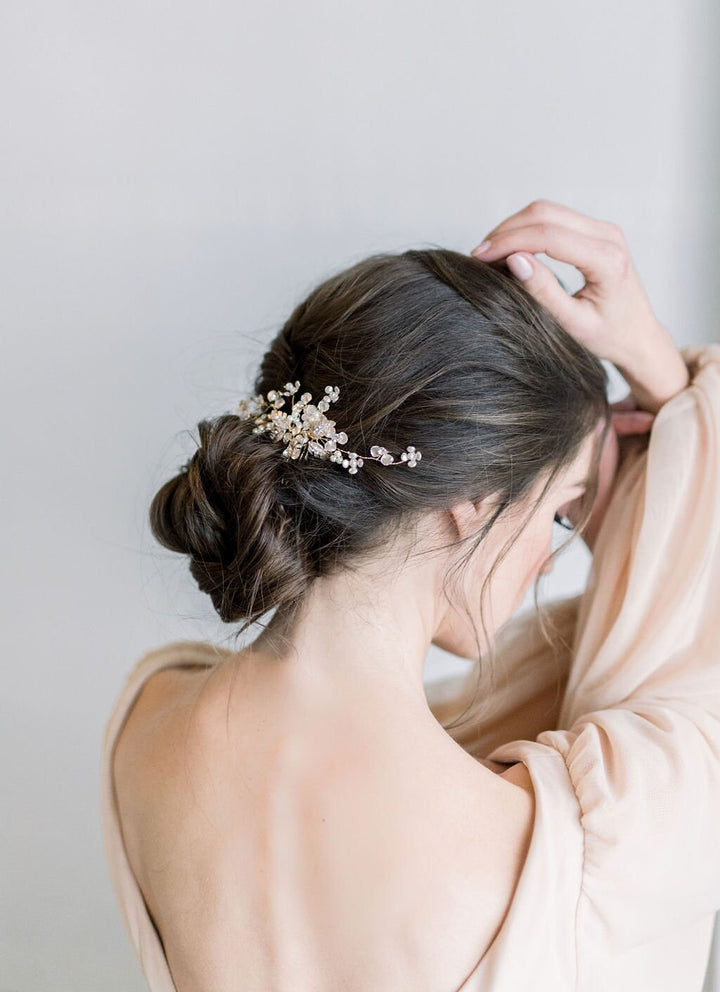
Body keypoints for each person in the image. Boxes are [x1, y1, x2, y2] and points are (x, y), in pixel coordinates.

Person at [101, 199, 720, 991]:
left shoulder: (146, 721)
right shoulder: (566, 849)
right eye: (563, 512)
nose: (551, 562)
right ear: (473, 497)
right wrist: (667, 384)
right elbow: (683, 648)